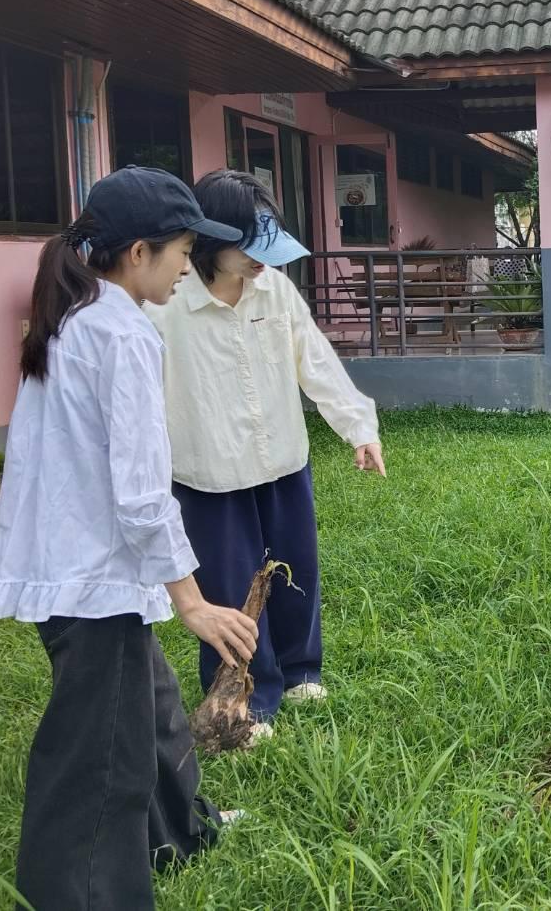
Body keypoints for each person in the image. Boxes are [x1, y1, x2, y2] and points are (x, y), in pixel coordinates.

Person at [0, 166, 261, 911]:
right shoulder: (123, 334)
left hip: (76, 565)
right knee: (99, 756)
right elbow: (140, 492)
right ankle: (84, 893)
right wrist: (191, 601)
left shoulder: (78, 315)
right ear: (138, 253)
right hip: (88, 575)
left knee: (153, 712)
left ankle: (180, 833)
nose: (186, 266)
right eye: (183, 251)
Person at [144, 170, 383, 740]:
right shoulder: (167, 305)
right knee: (229, 588)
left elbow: (314, 359)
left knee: (297, 571)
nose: (262, 260)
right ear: (210, 237)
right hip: (208, 472)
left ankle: (301, 671)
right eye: (249, 246)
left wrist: (358, 427)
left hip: (282, 459)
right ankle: (246, 695)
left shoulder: (274, 288)